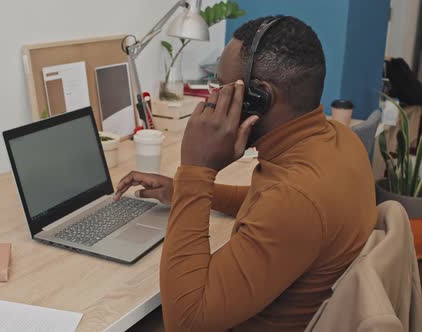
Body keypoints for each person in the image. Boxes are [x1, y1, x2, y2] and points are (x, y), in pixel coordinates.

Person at [114, 16, 376, 331]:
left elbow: (184, 322)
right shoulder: (339, 138)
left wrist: (197, 170)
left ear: (260, 97)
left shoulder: (295, 199)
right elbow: (264, 203)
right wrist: (183, 191)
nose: (213, 99)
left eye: (221, 87)